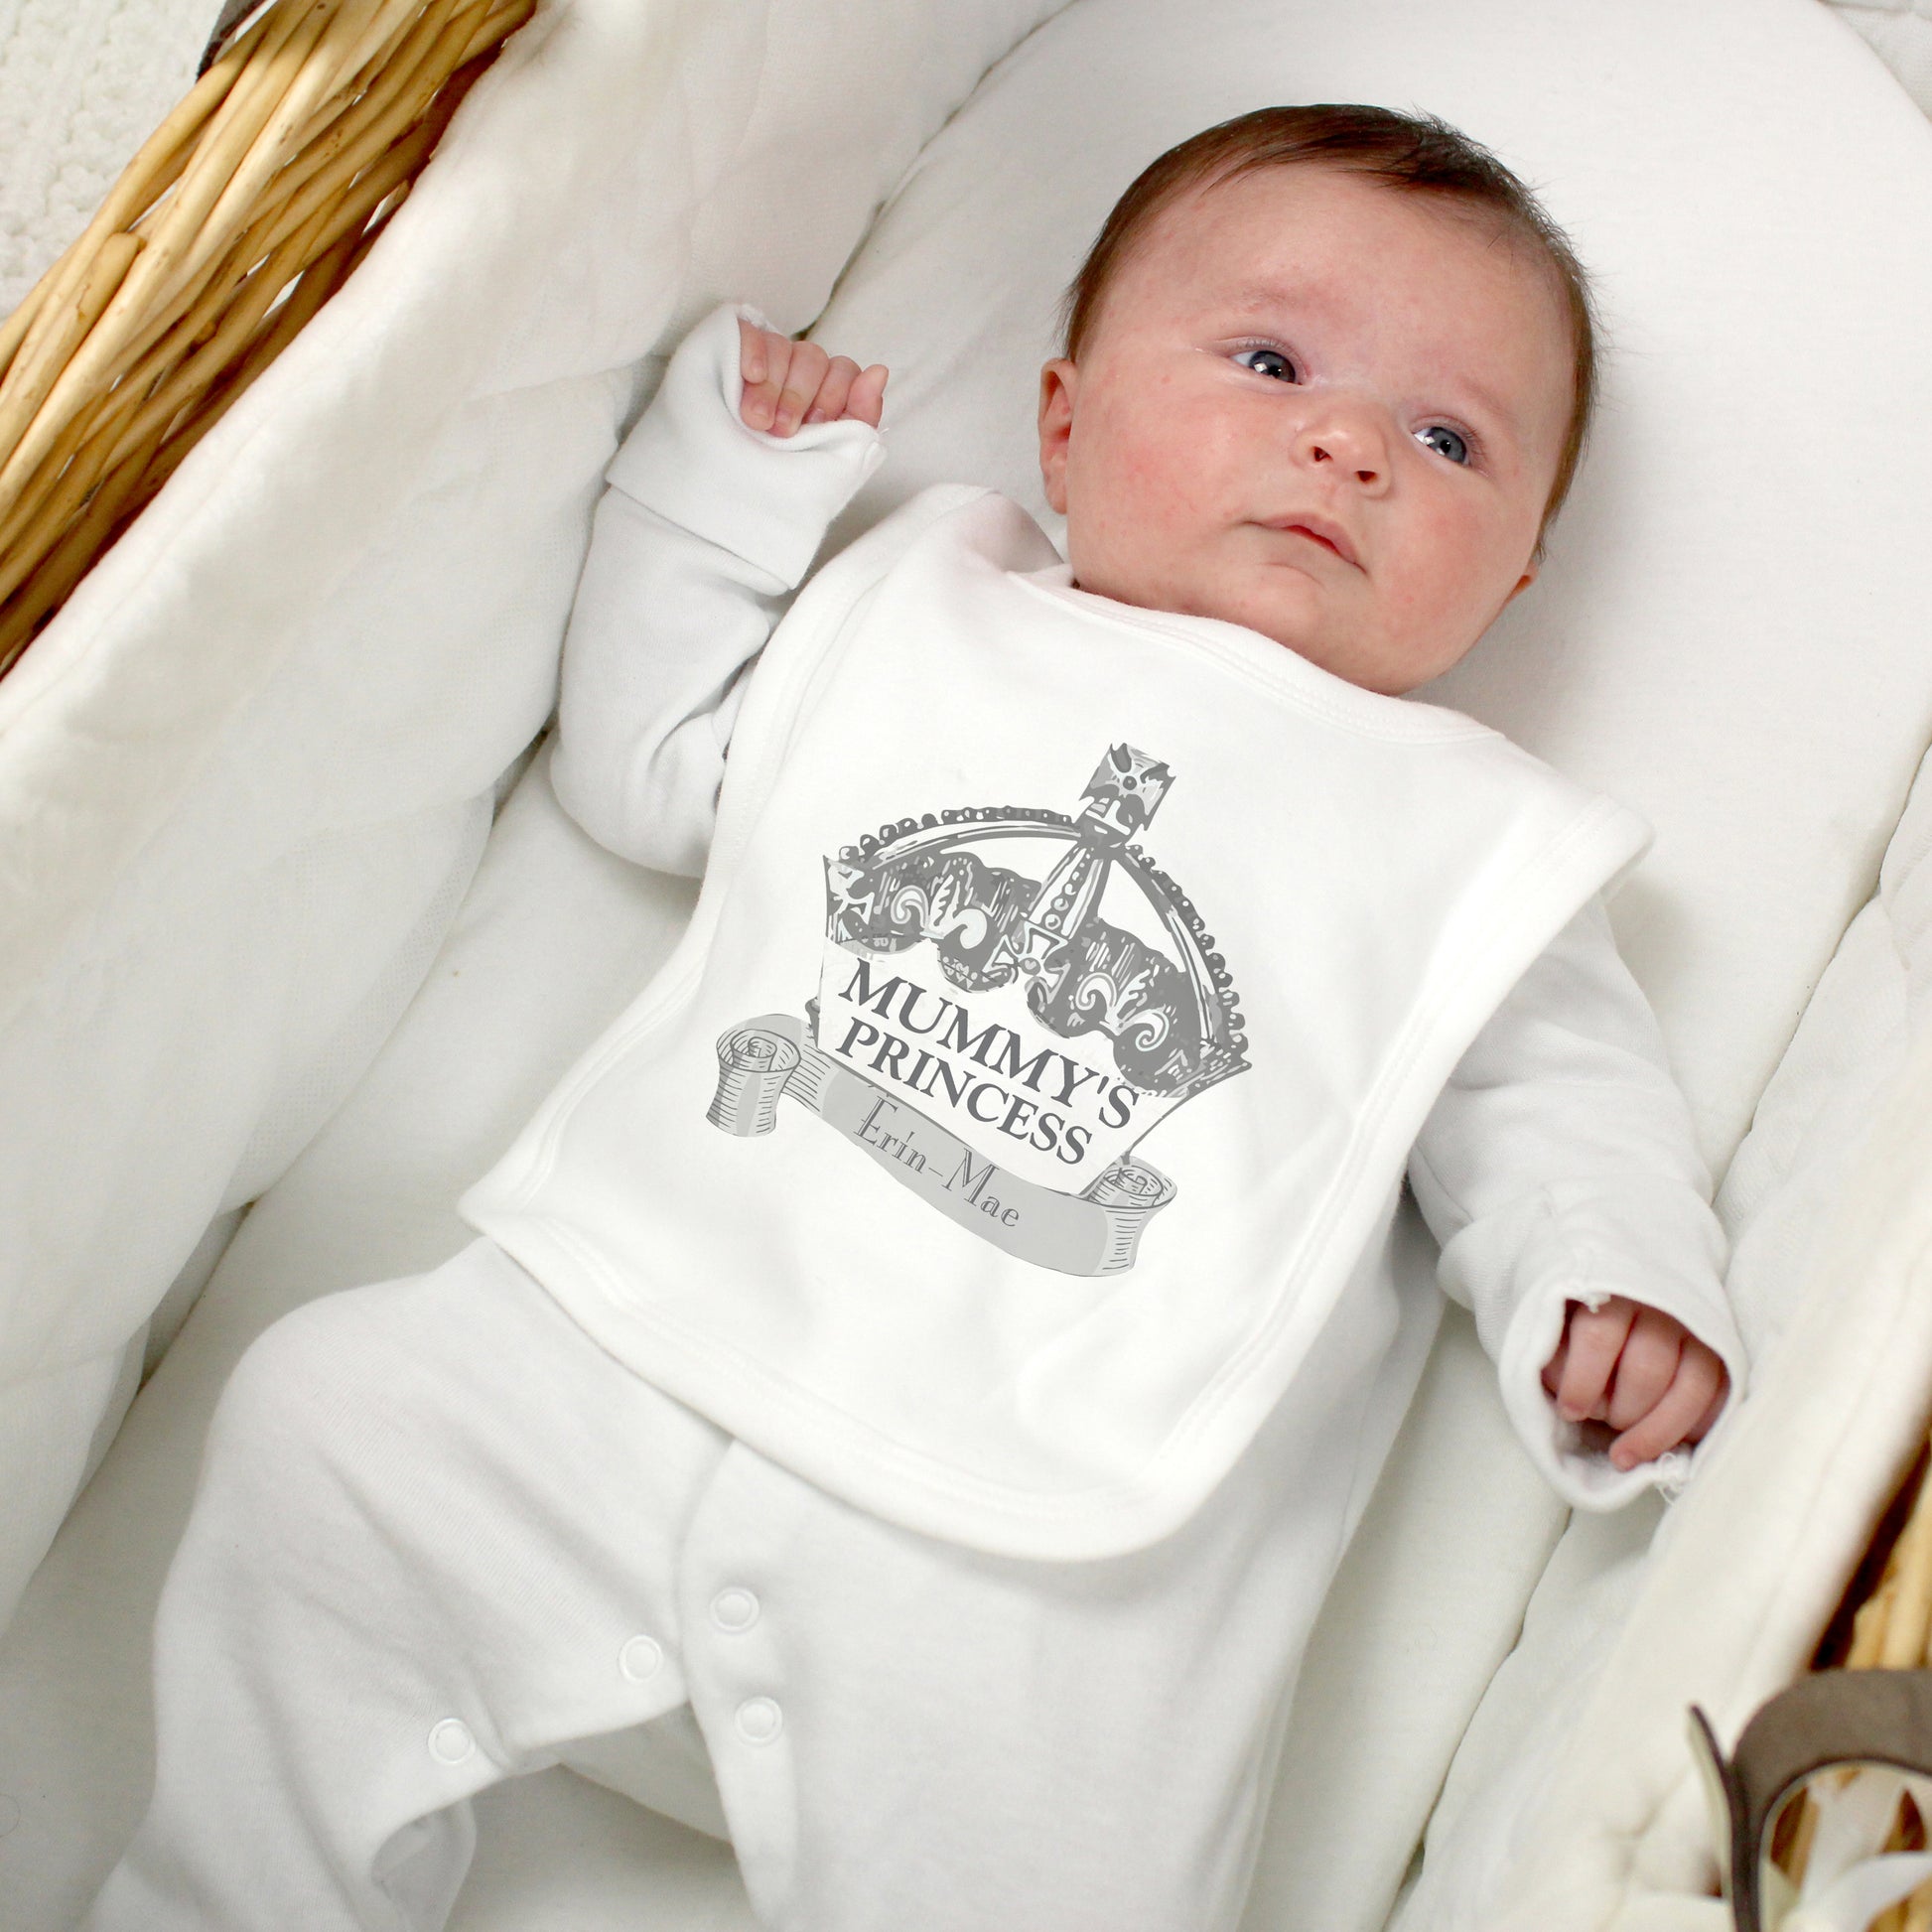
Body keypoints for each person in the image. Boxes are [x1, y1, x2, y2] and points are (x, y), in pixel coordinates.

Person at [89, 105, 1743, 1932]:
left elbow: (1560, 1100)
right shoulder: (923, 620)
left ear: (1512, 577)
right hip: (634, 1356)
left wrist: (1607, 1275)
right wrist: (722, 495)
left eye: (1447, 440)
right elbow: (645, 766)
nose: (1347, 444)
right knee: (326, 1428)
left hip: (1042, 1551)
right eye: (1270, 363)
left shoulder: (1462, 840)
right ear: (1061, 424)